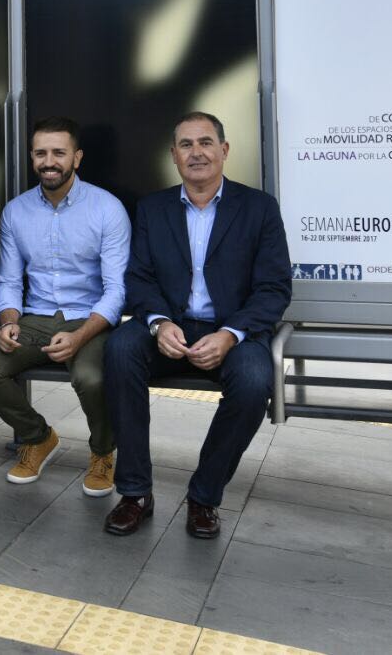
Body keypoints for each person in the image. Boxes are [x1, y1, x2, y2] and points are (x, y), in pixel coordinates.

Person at [102, 112, 290, 539]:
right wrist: (158, 322)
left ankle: (204, 497)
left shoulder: (259, 209)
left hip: (233, 330)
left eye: (205, 142)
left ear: (224, 150)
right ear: (173, 156)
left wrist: (231, 334)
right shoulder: (152, 208)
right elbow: (139, 278)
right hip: (172, 327)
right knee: (120, 350)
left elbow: (274, 288)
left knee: (255, 380)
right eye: (186, 145)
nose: (196, 152)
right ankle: (134, 494)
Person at [0, 117, 130, 496]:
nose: (49, 161)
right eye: (41, 153)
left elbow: (116, 290)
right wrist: (8, 320)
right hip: (35, 318)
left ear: (77, 157)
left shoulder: (107, 209)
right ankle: (37, 437)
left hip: (90, 320)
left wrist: (80, 336)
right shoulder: (16, 212)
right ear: (32, 158)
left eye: (59, 152)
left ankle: (103, 452)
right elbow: (7, 280)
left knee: (91, 378)